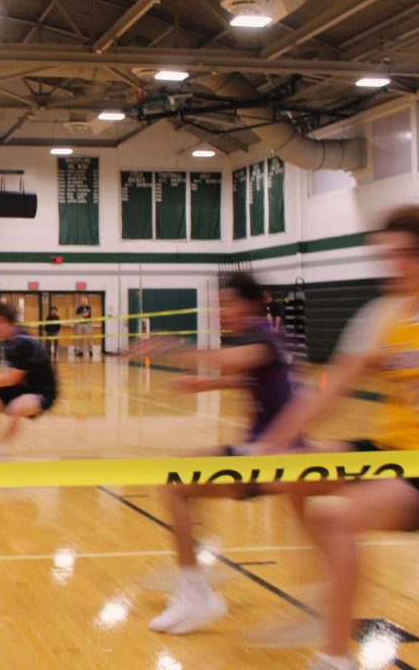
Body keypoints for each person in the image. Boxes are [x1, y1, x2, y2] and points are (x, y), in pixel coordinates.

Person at [257, 205, 419, 670]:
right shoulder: (384, 313)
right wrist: (275, 443)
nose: (394, 266)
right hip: (393, 450)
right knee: (294, 474)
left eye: (406, 255)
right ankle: (332, 588)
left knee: (335, 521)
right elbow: (331, 390)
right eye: (387, 255)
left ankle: (334, 656)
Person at [142, 272, 296, 636]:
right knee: (180, 480)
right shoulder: (265, 337)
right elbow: (253, 376)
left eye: (229, 303)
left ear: (251, 303)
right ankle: (193, 577)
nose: (222, 311)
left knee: (177, 484)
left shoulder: (263, 338)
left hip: (273, 456)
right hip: (266, 450)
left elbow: (229, 360)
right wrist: (206, 384)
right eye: (219, 304)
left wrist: (169, 348)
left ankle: (195, 588)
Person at [0, 300, 58, 461]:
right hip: (19, 387)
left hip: (42, 392)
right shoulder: (6, 340)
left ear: (4, 321)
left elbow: (10, 378)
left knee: (16, 407)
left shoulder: (21, 342)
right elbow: (9, 375)